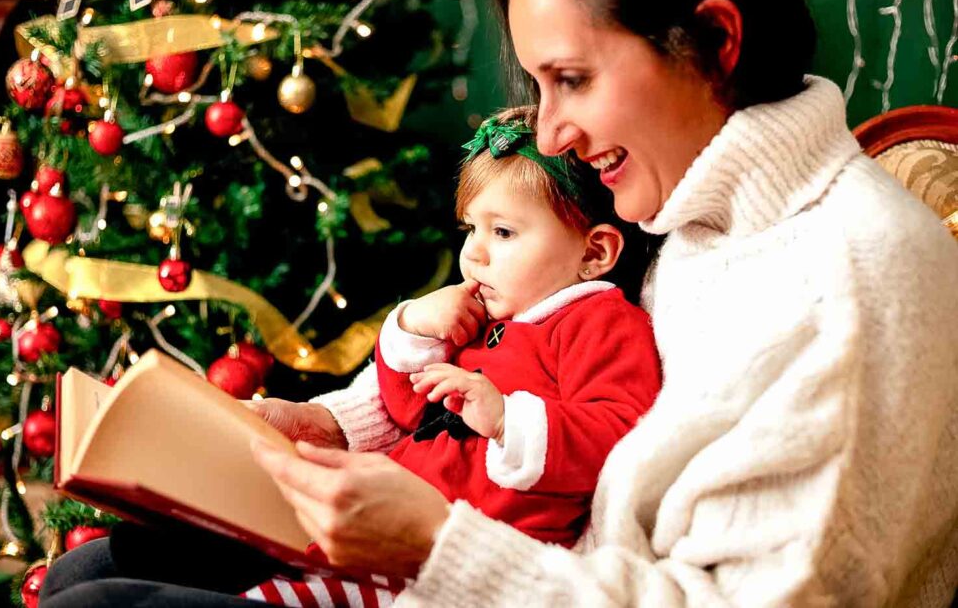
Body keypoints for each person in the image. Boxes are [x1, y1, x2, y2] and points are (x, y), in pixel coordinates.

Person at [41, 0, 958, 605]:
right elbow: (518, 355)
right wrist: (330, 424)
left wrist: (436, 544)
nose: (550, 134)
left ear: (714, 41)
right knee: (99, 566)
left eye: (572, 79)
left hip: (489, 573)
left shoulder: (848, 281)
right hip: (491, 560)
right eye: (538, 85)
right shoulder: (681, 210)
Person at [241, 108, 661, 605]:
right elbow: (405, 410)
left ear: (593, 254)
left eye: (502, 233)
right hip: (373, 534)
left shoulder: (601, 323)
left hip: (444, 567)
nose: (474, 254)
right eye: (470, 229)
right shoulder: (485, 313)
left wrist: (507, 420)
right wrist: (413, 326)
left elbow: (619, 434)